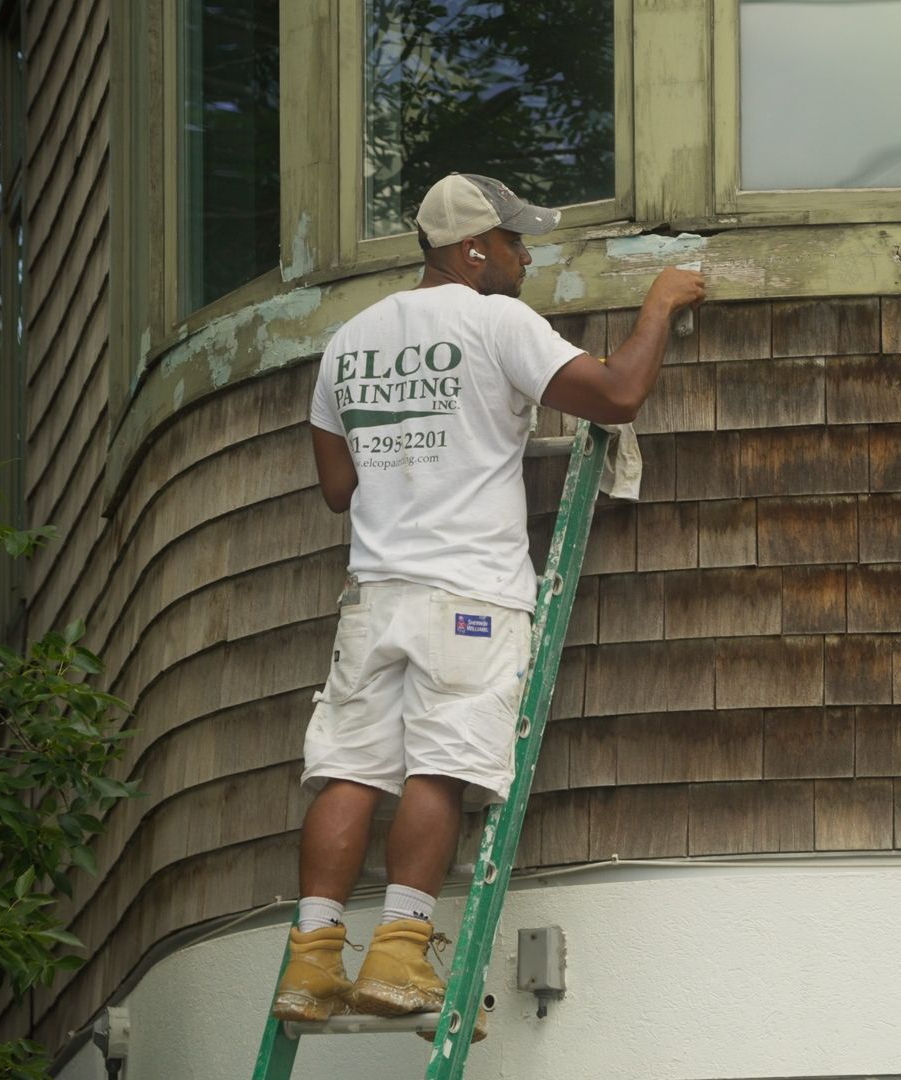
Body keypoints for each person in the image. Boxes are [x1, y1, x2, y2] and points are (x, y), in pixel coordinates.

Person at [271, 173, 704, 1028]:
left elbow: (337, 488)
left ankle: (312, 960)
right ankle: (399, 951)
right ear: (472, 250)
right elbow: (617, 393)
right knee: (439, 766)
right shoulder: (495, 321)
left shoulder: (348, 343)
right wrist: (659, 304)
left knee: (350, 772)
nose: (525, 256)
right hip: (467, 595)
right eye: (514, 241)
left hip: (374, 597)